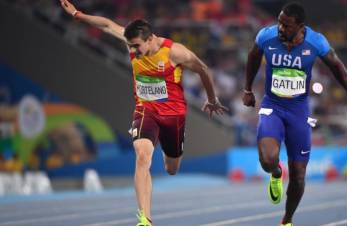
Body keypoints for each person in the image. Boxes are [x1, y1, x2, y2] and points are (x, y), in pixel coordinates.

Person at [60, 1, 228, 225]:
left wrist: (211, 98)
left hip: (173, 114)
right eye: (129, 46)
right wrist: (78, 15)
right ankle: (145, 219)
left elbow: (203, 69)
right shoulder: (134, 41)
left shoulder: (175, 52)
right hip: (145, 109)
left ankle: (172, 148)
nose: (132, 51)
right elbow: (108, 25)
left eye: (136, 47)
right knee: (142, 156)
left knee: (171, 168)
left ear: (150, 39)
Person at [242, 3, 347, 226]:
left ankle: (287, 220)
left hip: (298, 111)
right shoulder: (266, 36)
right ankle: (275, 173)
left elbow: (337, 67)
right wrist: (248, 89)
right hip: (272, 106)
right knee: (267, 160)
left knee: (299, 174)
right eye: (279, 21)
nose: (280, 27)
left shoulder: (316, 42)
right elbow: (253, 58)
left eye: (286, 25)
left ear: (300, 26)